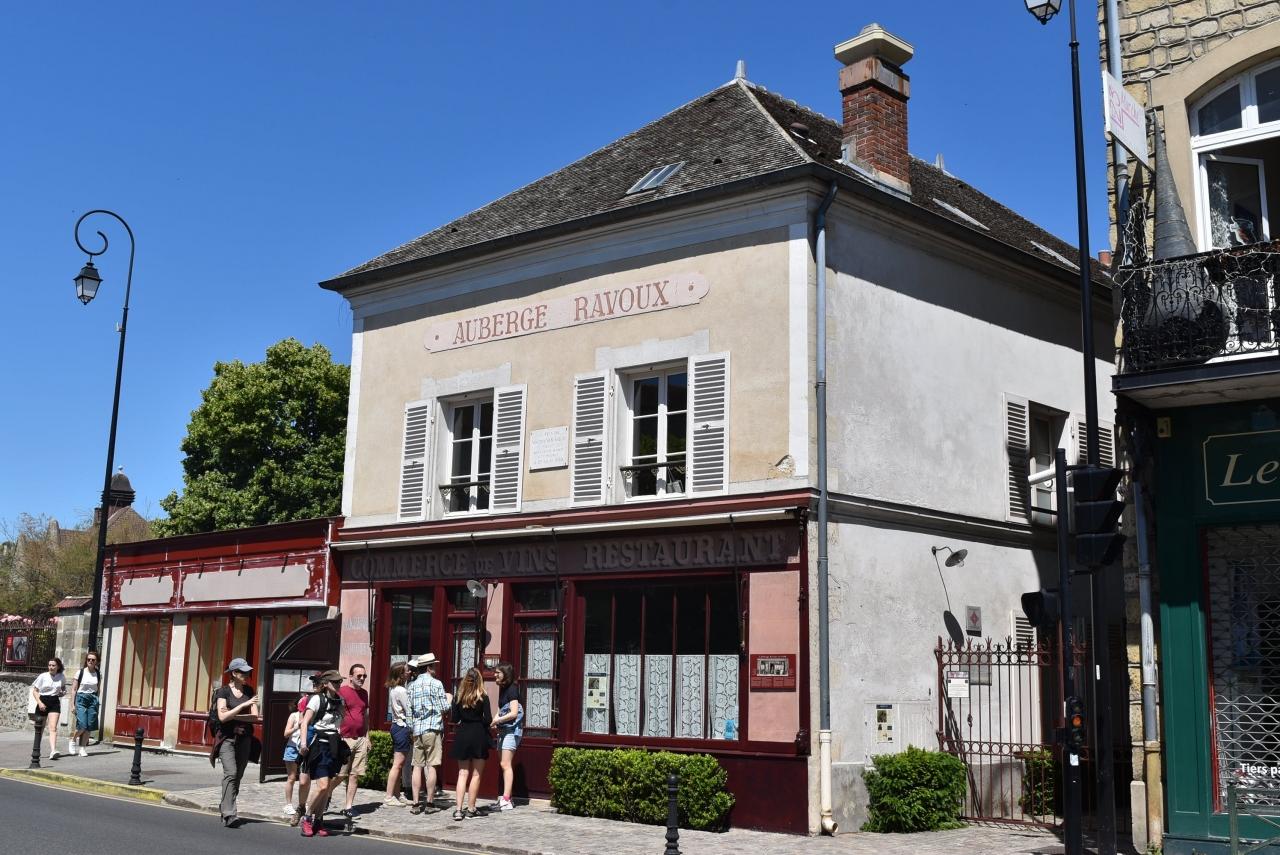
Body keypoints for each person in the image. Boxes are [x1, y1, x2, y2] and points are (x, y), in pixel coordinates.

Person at [211, 657, 259, 828]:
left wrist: (233, 714)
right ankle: (230, 813)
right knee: (230, 773)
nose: (246, 675)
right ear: (234, 673)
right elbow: (222, 717)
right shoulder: (223, 692)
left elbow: (255, 717)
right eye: (243, 672)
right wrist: (243, 706)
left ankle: (225, 805)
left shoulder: (249, 690)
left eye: (247, 672)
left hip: (244, 739)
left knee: (237, 776)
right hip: (227, 739)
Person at [298, 669, 346, 837]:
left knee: (327, 787)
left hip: (333, 745)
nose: (339, 684)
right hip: (319, 746)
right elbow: (305, 722)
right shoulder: (317, 699)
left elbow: (339, 724)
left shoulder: (340, 701)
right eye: (335, 682)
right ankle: (306, 818)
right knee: (323, 785)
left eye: (340, 682)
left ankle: (318, 820)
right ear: (325, 684)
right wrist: (303, 744)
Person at [407, 652, 450, 815]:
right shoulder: (436, 684)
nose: (436, 669)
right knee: (432, 766)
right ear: (429, 668)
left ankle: (415, 803)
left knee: (417, 767)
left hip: (417, 730)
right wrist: (449, 699)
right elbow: (444, 707)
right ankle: (430, 803)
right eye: (434, 666)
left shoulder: (412, 686)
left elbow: (409, 712)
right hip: (432, 729)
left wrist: (412, 729)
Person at [450, 667, 492, 820]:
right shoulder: (483, 696)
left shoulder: (458, 696)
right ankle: (471, 808)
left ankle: (458, 810)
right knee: (476, 774)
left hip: (463, 734)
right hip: (478, 734)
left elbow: (455, 719)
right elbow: (488, 719)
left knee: (462, 773)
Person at [337, 663, 370, 820]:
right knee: (340, 775)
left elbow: (365, 716)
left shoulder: (364, 693)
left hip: (360, 738)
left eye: (364, 676)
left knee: (355, 775)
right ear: (350, 676)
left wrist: (367, 737)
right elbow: (336, 713)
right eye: (359, 676)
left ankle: (348, 807)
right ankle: (326, 795)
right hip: (345, 738)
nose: (362, 678)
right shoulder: (342, 691)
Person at [490, 662, 523, 811]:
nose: (495, 675)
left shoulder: (512, 689)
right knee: (504, 764)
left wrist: (498, 720)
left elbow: (514, 713)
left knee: (505, 764)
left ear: (505, 674)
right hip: (503, 730)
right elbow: (500, 710)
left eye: (498, 672)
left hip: (511, 731)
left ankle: (506, 800)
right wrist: (494, 720)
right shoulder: (503, 689)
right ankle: (506, 797)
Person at [382, 662, 412, 807]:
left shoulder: (394, 689)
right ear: (401, 674)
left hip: (396, 726)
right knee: (398, 764)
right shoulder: (401, 691)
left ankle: (397, 794)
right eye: (406, 671)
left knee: (399, 764)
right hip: (402, 727)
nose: (409, 672)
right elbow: (409, 710)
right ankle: (389, 796)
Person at [29, 658, 66, 760]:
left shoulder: (61, 676)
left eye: (53, 665)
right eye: (49, 665)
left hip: (54, 701)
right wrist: (40, 703)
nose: (51, 667)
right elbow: (35, 691)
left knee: (53, 728)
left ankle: (53, 750)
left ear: (58, 666)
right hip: (43, 700)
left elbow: (63, 687)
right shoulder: (43, 676)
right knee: (40, 727)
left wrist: (63, 692)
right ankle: (36, 749)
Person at [68, 651, 101, 757]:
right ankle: (73, 739)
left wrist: (97, 701)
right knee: (82, 725)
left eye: (93, 660)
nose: (90, 661)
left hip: (93, 699)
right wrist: (72, 705)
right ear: (86, 660)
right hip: (81, 698)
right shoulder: (80, 672)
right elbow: (74, 690)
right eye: (88, 659)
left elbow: (98, 689)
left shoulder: (98, 673)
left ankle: (82, 748)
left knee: (89, 726)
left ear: (97, 661)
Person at [282, 691, 306, 821]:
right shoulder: (294, 716)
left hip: (305, 749)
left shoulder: (311, 715)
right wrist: (297, 726)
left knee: (305, 779)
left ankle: (302, 804)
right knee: (291, 777)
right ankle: (288, 804)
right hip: (292, 748)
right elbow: (286, 733)